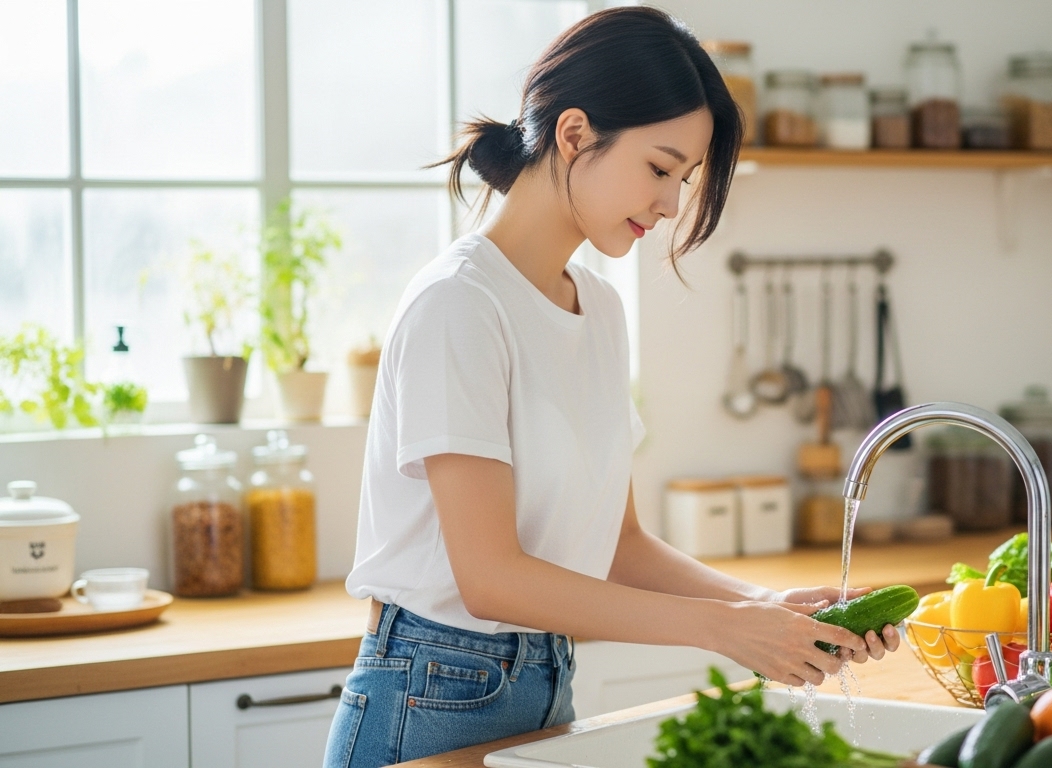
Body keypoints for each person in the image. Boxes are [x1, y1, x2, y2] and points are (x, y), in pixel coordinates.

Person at [323, 8, 899, 767]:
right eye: (660, 168)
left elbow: (619, 546)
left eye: (684, 180)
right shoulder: (460, 304)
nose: (669, 205)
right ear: (573, 134)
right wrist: (722, 630)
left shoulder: (598, 308)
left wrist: (762, 609)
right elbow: (490, 579)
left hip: (545, 682)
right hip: (428, 689)